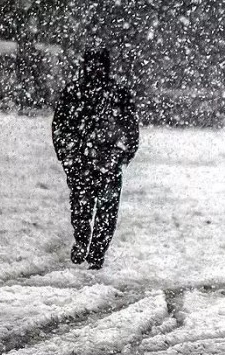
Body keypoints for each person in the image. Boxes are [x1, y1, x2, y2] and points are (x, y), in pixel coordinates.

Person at [52, 47, 139, 269]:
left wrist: (67, 155)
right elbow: (131, 128)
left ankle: (85, 243)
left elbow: (59, 126)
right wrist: (123, 154)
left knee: (84, 206)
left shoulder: (75, 93)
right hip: (104, 161)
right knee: (104, 211)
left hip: (85, 160)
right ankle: (95, 251)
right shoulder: (116, 93)